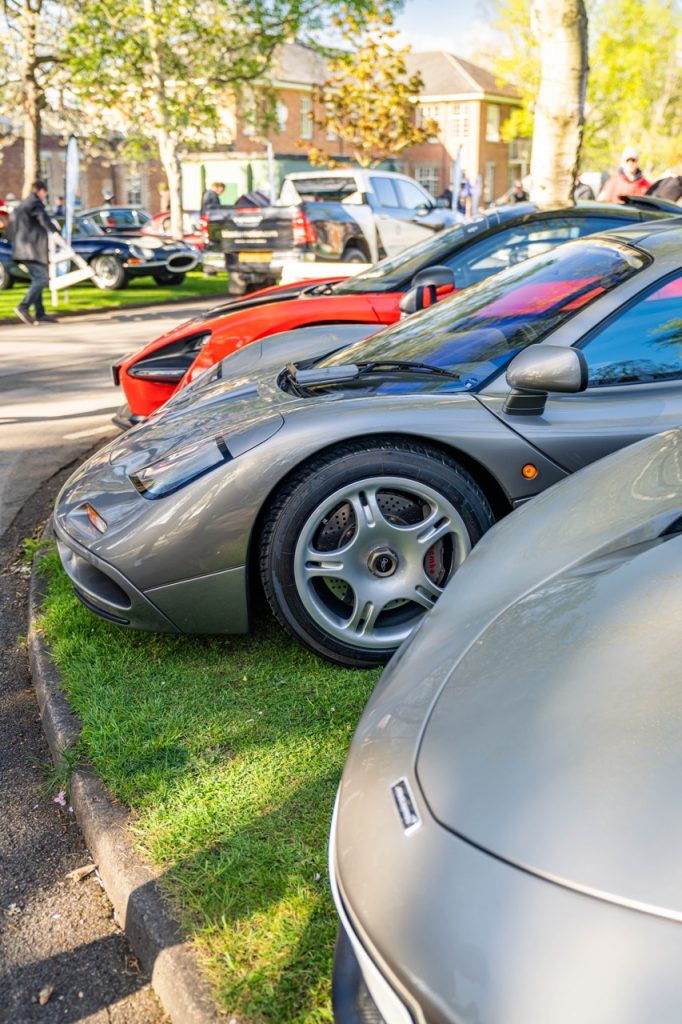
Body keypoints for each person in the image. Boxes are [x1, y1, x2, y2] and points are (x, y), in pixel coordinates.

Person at [9, 179, 61, 325]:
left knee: (37, 280)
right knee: (42, 279)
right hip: (31, 250)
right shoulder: (35, 203)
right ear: (40, 191)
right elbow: (43, 219)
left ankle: (40, 313)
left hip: (22, 249)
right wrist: (56, 232)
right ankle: (23, 306)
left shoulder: (22, 205)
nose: (45, 195)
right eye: (45, 192)